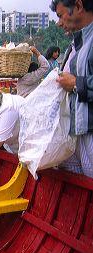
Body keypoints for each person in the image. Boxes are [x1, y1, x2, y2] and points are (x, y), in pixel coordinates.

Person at [51, 0, 93, 177]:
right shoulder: (78, 43)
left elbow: (77, 82)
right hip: (79, 128)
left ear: (78, 6)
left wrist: (76, 83)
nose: (59, 22)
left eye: (61, 15)